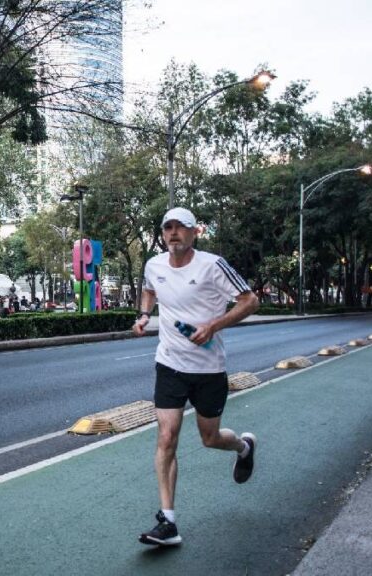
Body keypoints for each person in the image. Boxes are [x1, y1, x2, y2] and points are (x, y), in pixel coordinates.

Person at [132, 207, 260, 547]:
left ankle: (243, 447)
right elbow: (149, 290)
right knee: (166, 437)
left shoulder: (212, 266)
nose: (174, 233)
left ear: (194, 233)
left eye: (181, 228)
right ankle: (168, 521)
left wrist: (213, 326)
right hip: (170, 364)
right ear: (163, 233)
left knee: (210, 438)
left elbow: (250, 301)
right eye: (168, 227)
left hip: (208, 370)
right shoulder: (153, 265)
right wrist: (145, 315)